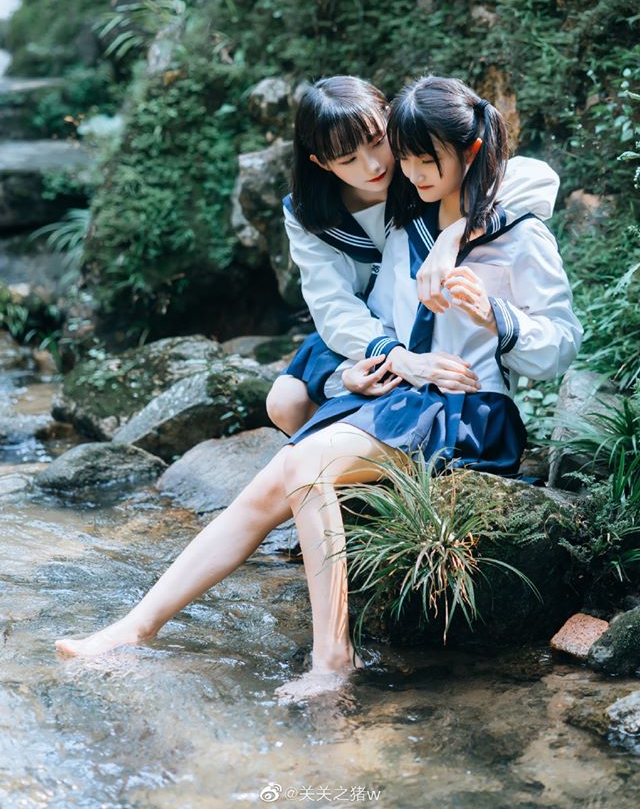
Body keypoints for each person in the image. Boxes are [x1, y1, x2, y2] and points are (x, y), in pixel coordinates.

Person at [55, 75, 581, 704]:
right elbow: (357, 316)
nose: (403, 173)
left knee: (304, 465)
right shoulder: (404, 222)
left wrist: (496, 315)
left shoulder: (517, 231)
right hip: (406, 395)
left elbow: (559, 342)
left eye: (419, 159)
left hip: (469, 411)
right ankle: (135, 627)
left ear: (465, 152)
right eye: (406, 159)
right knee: (271, 483)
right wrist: (375, 362)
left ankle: (333, 658)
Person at [267, 75, 561, 436]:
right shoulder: (308, 213)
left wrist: (456, 233)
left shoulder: (417, 167)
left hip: (435, 330)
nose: (373, 166)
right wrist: (394, 357)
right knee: (285, 402)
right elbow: (331, 303)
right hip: (363, 332)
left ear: (390, 118)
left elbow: (533, 177)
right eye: (348, 159)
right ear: (322, 163)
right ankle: (346, 461)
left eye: (378, 142)